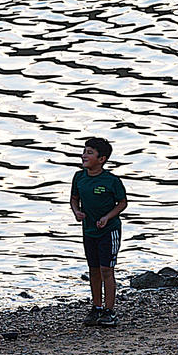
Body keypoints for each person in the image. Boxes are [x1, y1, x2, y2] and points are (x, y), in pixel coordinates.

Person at [70, 137, 128, 327]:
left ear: (101, 159)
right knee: (93, 269)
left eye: (89, 153)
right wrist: (76, 212)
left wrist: (107, 217)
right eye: (84, 151)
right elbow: (74, 199)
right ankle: (96, 307)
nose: (84, 156)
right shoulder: (79, 177)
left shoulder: (111, 181)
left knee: (106, 270)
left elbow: (122, 203)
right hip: (89, 230)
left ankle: (109, 311)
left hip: (108, 231)